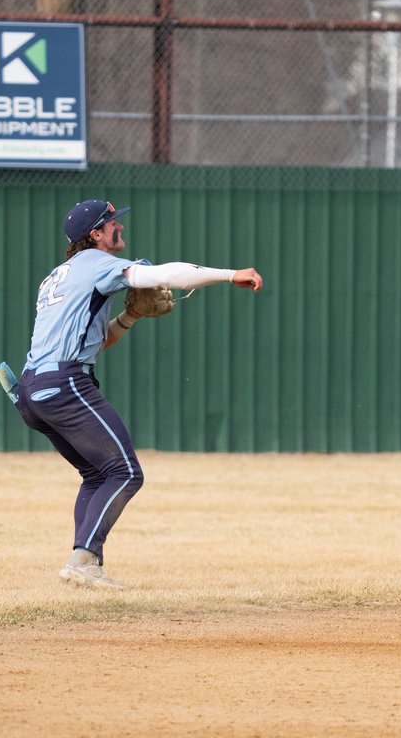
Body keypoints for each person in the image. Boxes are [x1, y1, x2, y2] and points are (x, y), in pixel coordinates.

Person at [14, 198, 262, 588]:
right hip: (64, 385)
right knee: (126, 472)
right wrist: (231, 274)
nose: (120, 228)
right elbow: (170, 274)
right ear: (95, 234)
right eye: (113, 223)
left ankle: (88, 565)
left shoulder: (58, 276)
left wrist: (129, 316)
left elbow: (94, 342)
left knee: (97, 474)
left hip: (32, 389)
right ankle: (82, 560)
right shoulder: (98, 264)